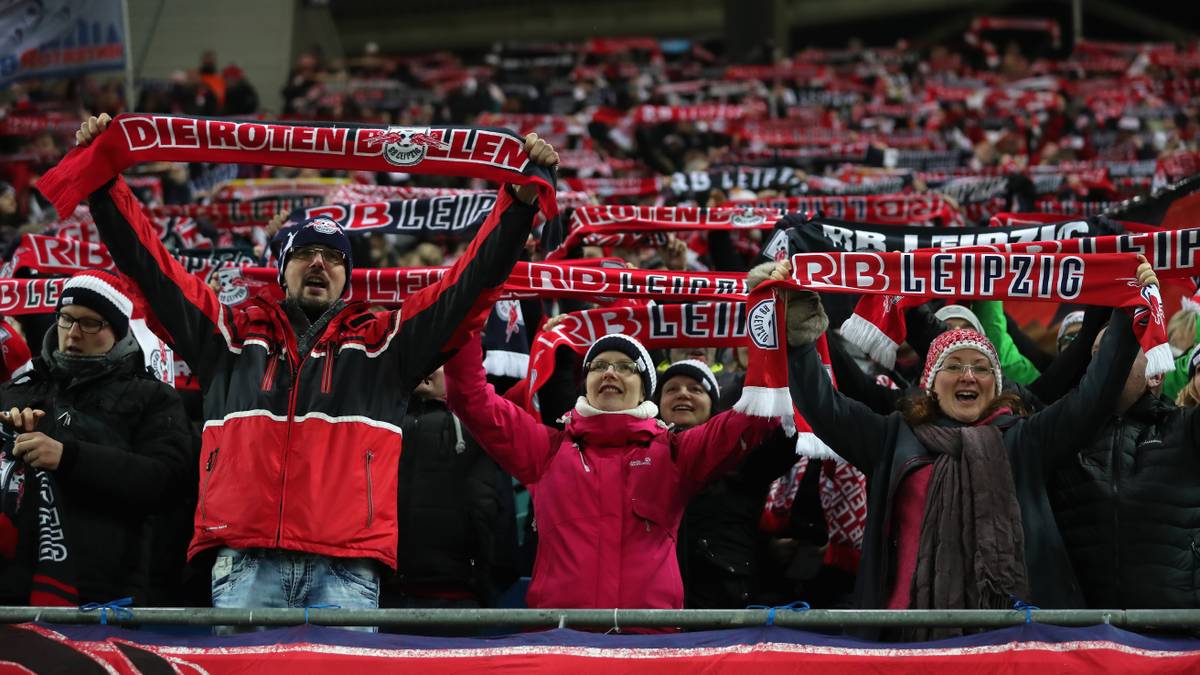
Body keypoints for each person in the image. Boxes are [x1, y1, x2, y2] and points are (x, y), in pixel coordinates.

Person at [73, 114, 559, 613]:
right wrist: (104, 184)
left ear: (348, 277)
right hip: (245, 559)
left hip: (348, 566)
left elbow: (466, 289)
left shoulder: (385, 347)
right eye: (305, 253)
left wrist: (517, 207)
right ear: (282, 272)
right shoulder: (227, 338)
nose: (320, 263)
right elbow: (152, 270)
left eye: (333, 256)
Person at [769, 256, 1154, 639]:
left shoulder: (1026, 438)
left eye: (982, 367)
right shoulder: (892, 436)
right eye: (954, 365)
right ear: (931, 383)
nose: (969, 375)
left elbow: (1094, 395)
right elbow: (823, 406)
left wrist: (1124, 310)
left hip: (1018, 637)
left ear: (995, 384)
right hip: (909, 637)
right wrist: (801, 340)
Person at [442, 331, 778, 610]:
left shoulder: (675, 454)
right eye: (598, 365)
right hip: (560, 644)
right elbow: (470, 397)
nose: (610, 372)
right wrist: (468, 317)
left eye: (625, 366)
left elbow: (757, 415)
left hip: (649, 646)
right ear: (586, 383)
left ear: (645, 389)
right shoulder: (547, 450)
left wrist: (776, 333)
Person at [0, 271, 193, 605]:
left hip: (104, 592)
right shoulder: (17, 390)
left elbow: (167, 481)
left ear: (117, 332)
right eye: (66, 319)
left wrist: (68, 456)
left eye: (90, 323)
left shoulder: (153, 397)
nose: (73, 333)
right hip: (13, 583)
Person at [1051, 332, 1200, 609]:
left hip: (1179, 636)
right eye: (1095, 355)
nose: (1098, 364)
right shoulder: (1061, 434)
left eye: (1113, 352)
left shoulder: (1188, 429)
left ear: (1155, 376)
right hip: (1081, 637)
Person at [657, 359, 798, 609]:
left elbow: (790, 435)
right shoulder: (639, 460)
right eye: (671, 389)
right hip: (658, 608)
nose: (683, 394)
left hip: (731, 607)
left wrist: (792, 355)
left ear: (713, 406)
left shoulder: (744, 456)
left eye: (696, 389)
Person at [382, 367, 515, 615]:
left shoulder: (481, 428)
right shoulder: (380, 423)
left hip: (458, 601)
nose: (429, 366)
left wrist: (482, 582)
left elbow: (498, 513)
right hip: (384, 596)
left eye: (442, 359)